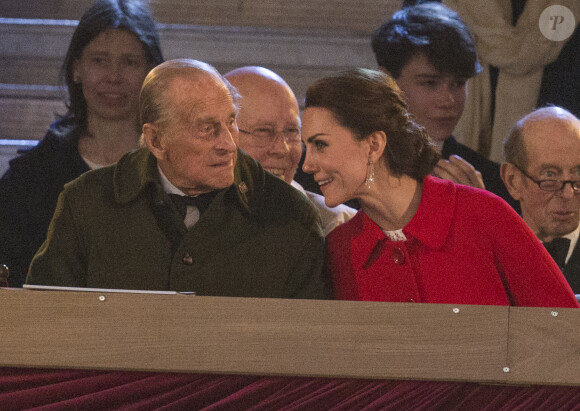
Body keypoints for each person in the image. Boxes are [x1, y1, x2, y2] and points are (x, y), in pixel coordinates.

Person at [25, 59, 329, 300]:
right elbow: (46, 323)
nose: (228, 143)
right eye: (207, 128)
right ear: (156, 140)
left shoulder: (290, 215)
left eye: (231, 122)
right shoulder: (86, 204)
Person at [300, 68, 578, 307]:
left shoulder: (485, 215)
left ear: (374, 145)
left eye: (321, 145)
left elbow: (564, 332)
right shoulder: (339, 250)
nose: (307, 165)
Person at [0, 0, 164, 287]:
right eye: (99, 60)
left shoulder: (175, 170)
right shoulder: (29, 178)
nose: (113, 77)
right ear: (77, 68)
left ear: (151, 72)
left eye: (129, 62)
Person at [370, 2, 519, 212]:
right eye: (429, 83)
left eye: (458, 84)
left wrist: (479, 212)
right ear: (387, 82)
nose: (448, 100)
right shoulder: (348, 166)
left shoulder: (494, 183)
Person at [224, 66, 356, 235]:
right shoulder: (192, 219)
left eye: (292, 131)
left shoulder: (340, 228)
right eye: (263, 131)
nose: (282, 149)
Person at [501, 106, 580, 294]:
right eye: (550, 175)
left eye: (578, 173)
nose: (568, 194)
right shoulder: (493, 258)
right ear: (513, 181)